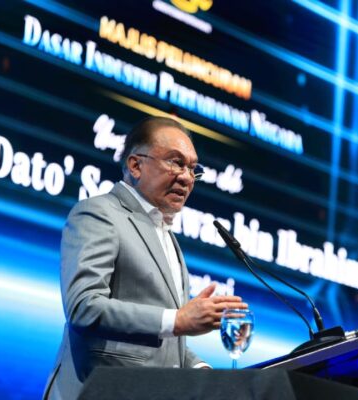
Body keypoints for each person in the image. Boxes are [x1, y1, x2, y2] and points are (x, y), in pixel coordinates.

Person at [43, 116, 248, 399]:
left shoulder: (166, 236)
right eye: (176, 162)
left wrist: (200, 369)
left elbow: (162, 340)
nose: (187, 177)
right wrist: (178, 320)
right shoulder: (99, 213)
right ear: (135, 165)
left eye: (193, 169)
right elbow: (84, 308)